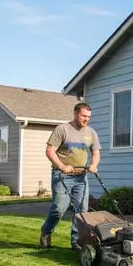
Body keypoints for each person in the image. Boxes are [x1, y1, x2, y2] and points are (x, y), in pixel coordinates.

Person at [39, 102, 101, 251]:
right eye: (84, 116)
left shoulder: (91, 132)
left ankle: (77, 242)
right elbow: (50, 151)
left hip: (81, 177)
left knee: (81, 211)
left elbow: (96, 152)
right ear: (75, 113)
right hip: (62, 176)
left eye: (88, 117)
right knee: (59, 208)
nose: (86, 119)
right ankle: (46, 232)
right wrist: (61, 166)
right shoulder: (62, 129)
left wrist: (94, 165)